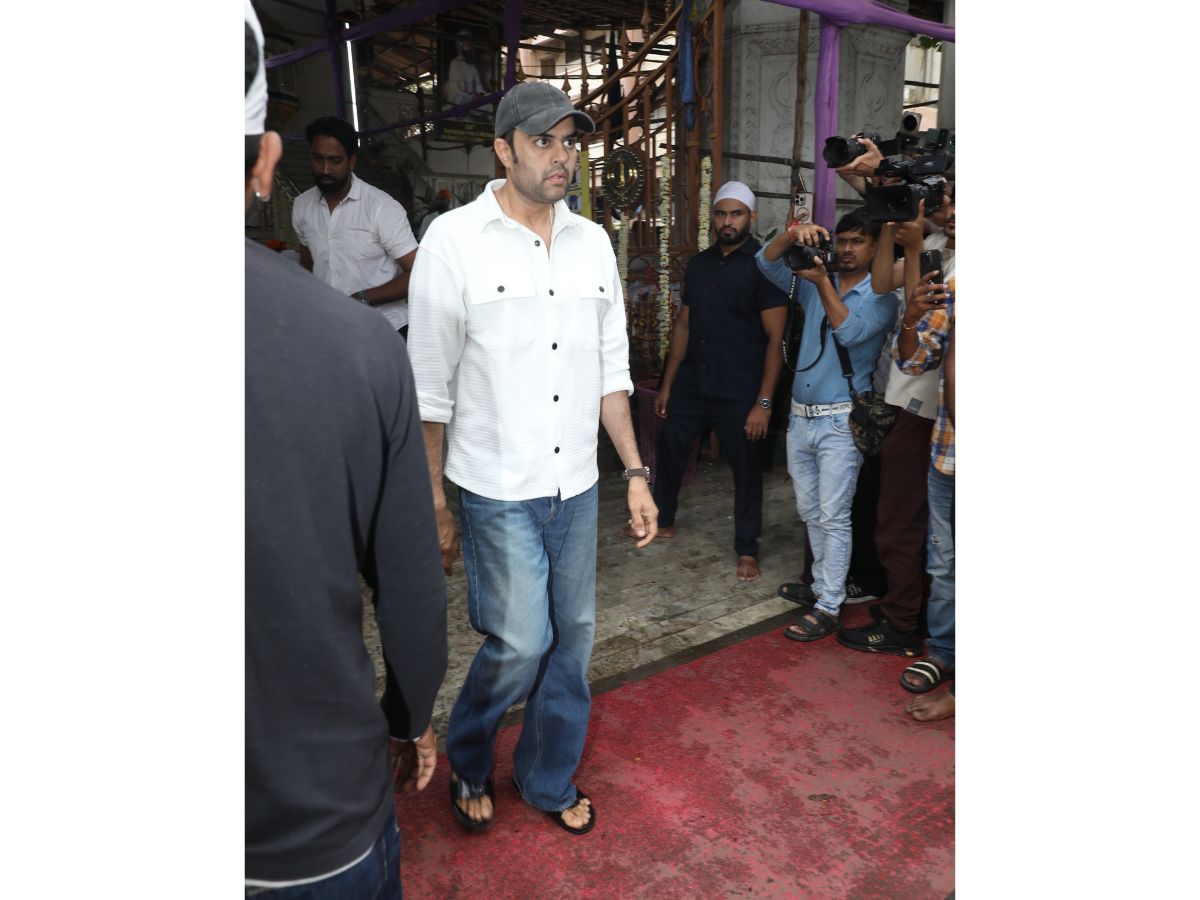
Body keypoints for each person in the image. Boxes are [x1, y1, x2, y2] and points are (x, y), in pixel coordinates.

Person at [407, 80, 658, 836]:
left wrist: (635, 473)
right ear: (503, 149)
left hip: (575, 485)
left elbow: (611, 372)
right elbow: (429, 392)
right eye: (543, 140)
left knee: (571, 643)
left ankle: (547, 778)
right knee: (521, 641)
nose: (561, 156)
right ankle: (470, 755)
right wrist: (434, 502)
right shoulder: (453, 242)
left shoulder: (594, 243)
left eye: (570, 141)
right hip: (494, 487)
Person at [244, 3, 448, 894]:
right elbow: (405, 575)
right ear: (269, 161)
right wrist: (410, 712)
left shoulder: (385, 211)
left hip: (355, 341)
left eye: (335, 159)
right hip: (314, 822)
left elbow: (411, 271)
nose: (324, 169)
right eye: (313, 159)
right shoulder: (298, 212)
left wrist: (352, 311)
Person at [631, 181, 787, 581]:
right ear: (713, 218)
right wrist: (668, 385)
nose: (727, 221)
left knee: (747, 469)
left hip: (740, 391)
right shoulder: (699, 265)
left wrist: (764, 402)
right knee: (670, 450)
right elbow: (684, 325)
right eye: (721, 213)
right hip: (693, 383)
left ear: (751, 217)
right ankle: (664, 519)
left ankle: (746, 549)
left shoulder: (765, 267)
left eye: (736, 214)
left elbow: (776, 339)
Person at [756, 210, 898, 642]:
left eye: (858, 241)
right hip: (801, 416)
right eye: (844, 240)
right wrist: (792, 235)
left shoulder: (882, 296)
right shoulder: (817, 280)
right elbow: (765, 262)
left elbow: (850, 333)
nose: (848, 249)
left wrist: (822, 284)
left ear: (875, 249)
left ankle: (830, 605)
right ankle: (821, 587)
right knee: (809, 512)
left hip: (841, 421)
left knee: (834, 517)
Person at [838, 194, 955, 657]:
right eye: (949, 202)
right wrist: (891, 226)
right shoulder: (939, 243)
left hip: (926, 404)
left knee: (900, 520)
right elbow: (885, 281)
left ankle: (904, 621)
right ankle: (909, 610)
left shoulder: (953, 260)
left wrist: (913, 244)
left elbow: (921, 330)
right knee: (904, 518)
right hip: (907, 395)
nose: (950, 212)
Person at [291, 115, 419, 337]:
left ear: (351, 162)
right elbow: (307, 263)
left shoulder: (381, 207)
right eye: (318, 158)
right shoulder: (302, 205)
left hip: (385, 328)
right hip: (331, 327)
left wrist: (362, 298)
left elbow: (418, 272)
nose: (325, 169)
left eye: (335, 160)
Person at [894, 250, 955, 706]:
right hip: (949, 458)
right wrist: (911, 319)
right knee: (943, 565)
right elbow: (914, 362)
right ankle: (945, 653)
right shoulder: (956, 289)